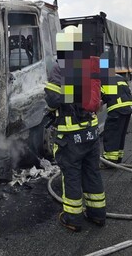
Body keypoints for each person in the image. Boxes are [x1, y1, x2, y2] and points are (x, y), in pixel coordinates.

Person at [44, 26, 106, 232]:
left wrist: (62, 96)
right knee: (92, 172)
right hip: (91, 132)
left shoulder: (61, 67)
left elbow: (53, 100)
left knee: (71, 175)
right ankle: (97, 215)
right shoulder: (91, 66)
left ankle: (72, 218)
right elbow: (99, 97)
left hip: (71, 135)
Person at [100, 74, 132, 166]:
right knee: (120, 134)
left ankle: (109, 161)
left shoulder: (100, 80)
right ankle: (118, 158)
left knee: (111, 134)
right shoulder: (118, 77)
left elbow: (98, 99)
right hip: (128, 107)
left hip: (117, 109)